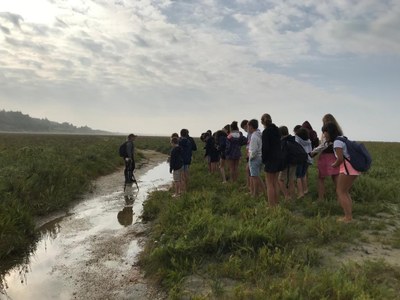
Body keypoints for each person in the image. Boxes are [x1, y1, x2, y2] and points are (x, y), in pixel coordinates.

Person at [322, 122, 359, 223]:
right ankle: (349, 215)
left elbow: (340, 159)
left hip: (347, 168)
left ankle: (347, 217)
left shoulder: (337, 142)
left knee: (340, 191)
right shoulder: (342, 138)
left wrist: (333, 165)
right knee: (345, 191)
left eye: (324, 132)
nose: (324, 134)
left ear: (328, 132)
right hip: (353, 167)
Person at [310, 114, 342, 201]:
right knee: (336, 178)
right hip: (336, 156)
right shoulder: (339, 131)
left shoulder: (326, 131)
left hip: (325, 156)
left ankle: (321, 198)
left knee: (321, 178)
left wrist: (312, 153)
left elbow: (323, 145)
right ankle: (341, 198)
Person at [261, 113, 284, 206]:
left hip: (270, 158)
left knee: (269, 183)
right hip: (279, 157)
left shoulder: (266, 132)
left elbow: (265, 147)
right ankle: (277, 203)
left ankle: (271, 206)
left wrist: (264, 159)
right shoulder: (277, 130)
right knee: (275, 182)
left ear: (262, 122)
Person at [278, 126, 296, 200]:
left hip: (286, 163)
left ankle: (286, 196)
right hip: (294, 162)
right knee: (291, 180)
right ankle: (291, 196)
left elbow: (282, 154)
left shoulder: (283, 141)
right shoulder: (293, 139)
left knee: (280, 180)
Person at [247, 119, 265, 197]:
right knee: (257, 176)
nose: (247, 129)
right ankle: (264, 191)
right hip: (260, 157)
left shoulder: (254, 136)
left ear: (251, 126)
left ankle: (255, 194)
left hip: (255, 158)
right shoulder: (259, 134)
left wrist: (250, 157)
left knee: (254, 177)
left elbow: (253, 150)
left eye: (248, 126)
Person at [294, 127, 313, 199]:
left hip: (299, 159)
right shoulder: (308, 141)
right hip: (307, 159)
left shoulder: (297, 140)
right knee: (303, 175)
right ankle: (305, 190)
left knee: (298, 176)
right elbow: (310, 150)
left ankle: (300, 193)